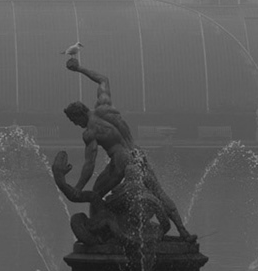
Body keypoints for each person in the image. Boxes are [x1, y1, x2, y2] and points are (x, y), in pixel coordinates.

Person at [61, 57, 193, 240]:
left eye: (74, 121)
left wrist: (78, 187)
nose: (76, 125)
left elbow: (89, 164)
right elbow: (103, 79)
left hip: (121, 160)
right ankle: (183, 231)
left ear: (79, 115)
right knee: (159, 192)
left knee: (97, 193)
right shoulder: (104, 106)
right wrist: (79, 68)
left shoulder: (90, 131)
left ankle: (101, 234)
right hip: (137, 154)